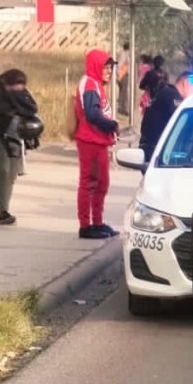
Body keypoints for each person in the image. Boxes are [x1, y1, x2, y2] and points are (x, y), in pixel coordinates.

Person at [0, 68, 42, 225]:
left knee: (11, 174)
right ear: (7, 82)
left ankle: (5, 209)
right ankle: (2, 212)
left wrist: (16, 101)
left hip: (15, 136)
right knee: (2, 170)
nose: (19, 88)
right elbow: (0, 108)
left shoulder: (20, 90)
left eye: (21, 86)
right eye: (15, 85)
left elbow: (32, 107)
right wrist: (17, 102)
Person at [73, 48, 119, 240]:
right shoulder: (91, 85)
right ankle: (86, 226)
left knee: (101, 183)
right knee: (90, 183)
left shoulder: (96, 84)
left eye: (110, 68)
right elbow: (92, 115)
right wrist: (112, 125)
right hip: (90, 141)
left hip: (98, 141)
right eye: (106, 67)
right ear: (96, 66)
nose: (109, 71)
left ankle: (97, 222)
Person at [139, 70, 193, 163]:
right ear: (186, 83)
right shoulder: (173, 98)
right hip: (158, 155)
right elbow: (185, 125)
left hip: (152, 150)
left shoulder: (166, 93)